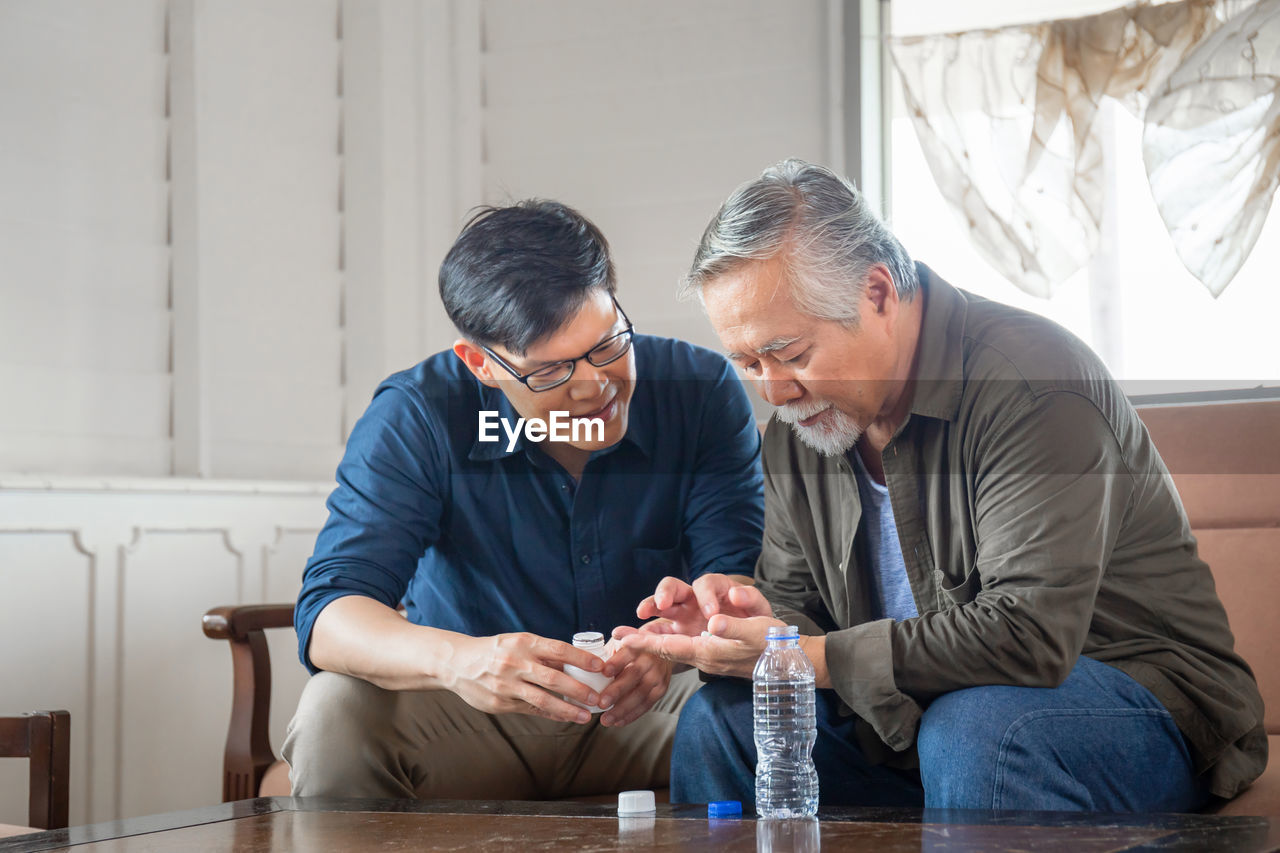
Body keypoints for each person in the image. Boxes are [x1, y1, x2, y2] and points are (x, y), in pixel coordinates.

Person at [618, 160, 1266, 812]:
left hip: (1125, 696)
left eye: (790, 352)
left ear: (877, 294)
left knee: (979, 730)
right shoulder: (798, 430)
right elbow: (802, 608)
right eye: (748, 362)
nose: (775, 389)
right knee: (724, 723)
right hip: (922, 714)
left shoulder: (1030, 383)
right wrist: (757, 623)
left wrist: (814, 657)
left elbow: (1028, 635)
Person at [284, 199, 763, 800]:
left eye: (608, 344)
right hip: (474, 713)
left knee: (768, 707)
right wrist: (461, 662)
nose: (595, 387)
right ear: (481, 363)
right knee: (334, 711)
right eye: (552, 372)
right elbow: (331, 611)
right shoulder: (419, 412)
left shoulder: (701, 391)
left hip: (653, 707)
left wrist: (679, 644)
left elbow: (737, 573)